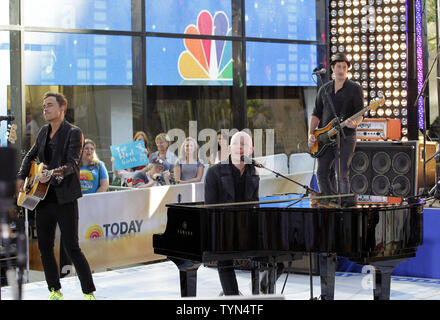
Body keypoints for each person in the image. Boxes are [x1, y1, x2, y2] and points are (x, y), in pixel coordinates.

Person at [16, 92, 96, 300]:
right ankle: (55, 290)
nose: (45, 109)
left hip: (64, 198)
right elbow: (30, 155)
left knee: (72, 246)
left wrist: (50, 174)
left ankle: (88, 292)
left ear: (62, 108)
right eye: (43, 106)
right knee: (44, 246)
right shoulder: (43, 131)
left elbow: (72, 164)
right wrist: (21, 177)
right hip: (42, 199)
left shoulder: (73, 132)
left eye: (49, 105)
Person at [204, 131, 260, 296]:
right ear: (229, 148)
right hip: (223, 230)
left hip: (246, 229)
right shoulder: (214, 172)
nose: (240, 148)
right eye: (236, 144)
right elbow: (210, 209)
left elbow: (255, 206)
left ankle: (263, 287)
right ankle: (233, 298)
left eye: (245, 144)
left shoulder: (254, 172)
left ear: (252, 149)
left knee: (277, 261)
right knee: (224, 259)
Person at [307, 52, 364, 205]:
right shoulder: (324, 89)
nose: (341, 69)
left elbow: (361, 113)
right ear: (332, 68)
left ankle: (345, 206)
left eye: (344, 67)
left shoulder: (354, 88)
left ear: (347, 69)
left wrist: (355, 123)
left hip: (346, 136)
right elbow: (316, 114)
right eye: (338, 66)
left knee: (341, 173)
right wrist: (310, 134)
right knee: (321, 172)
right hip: (325, 137)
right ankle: (329, 201)